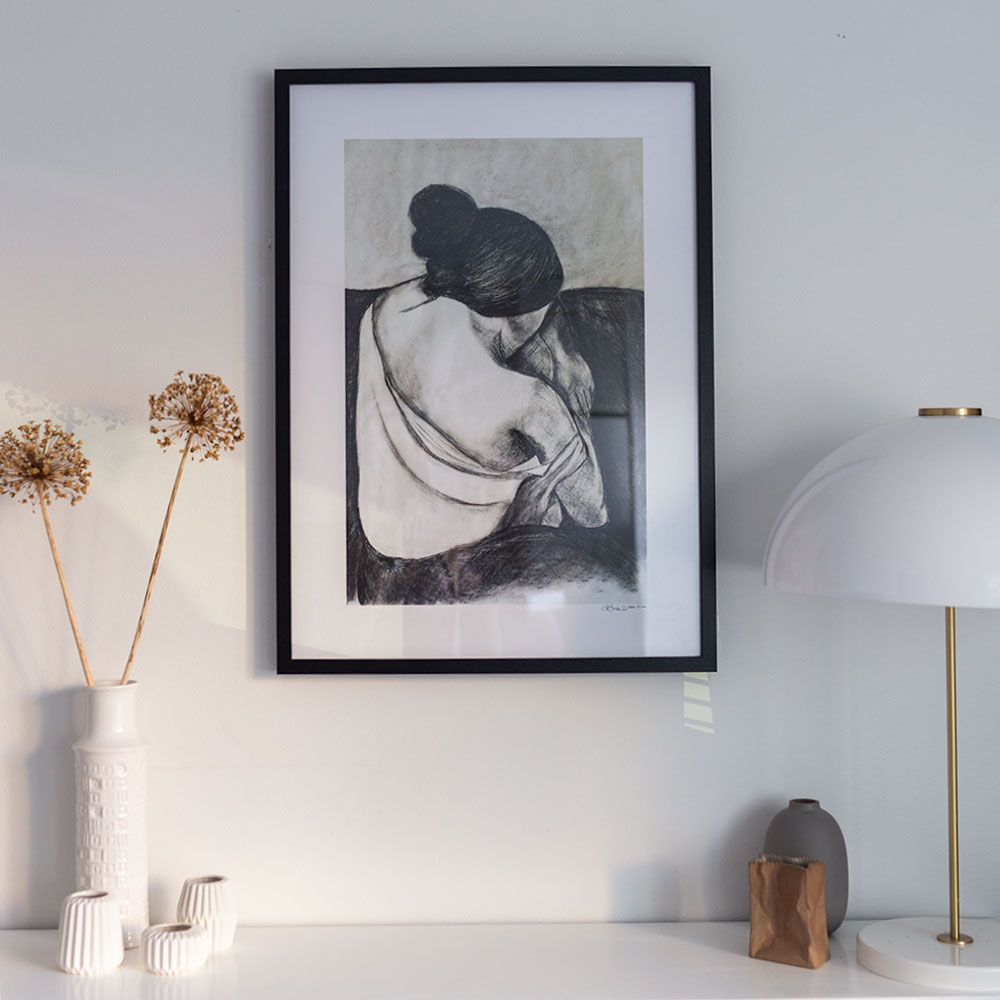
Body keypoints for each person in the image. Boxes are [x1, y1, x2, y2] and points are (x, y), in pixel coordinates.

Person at [353, 184, 608, 586]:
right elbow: (592, 512)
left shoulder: (387, 308)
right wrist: (577, 409)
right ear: (527, 311)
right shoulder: (532, 403)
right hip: (466, 558)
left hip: (383, 535)